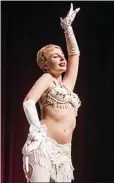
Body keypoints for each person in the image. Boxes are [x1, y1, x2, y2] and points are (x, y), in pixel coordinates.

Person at [22, 3, 81, 182]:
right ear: (45, 64)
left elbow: (75, 55)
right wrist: (37, 129)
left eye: (61, 55)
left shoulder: (68, 85)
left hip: (64, 153)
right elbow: (28, 102)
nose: (62, 58)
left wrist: (68, 29)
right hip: (44, 146)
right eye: (55, 56)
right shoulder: (46, 79)